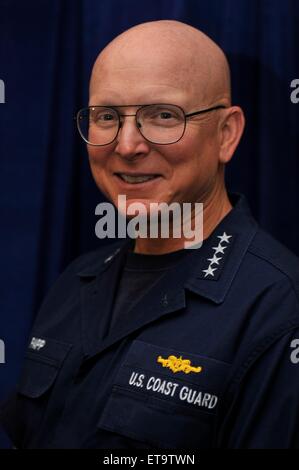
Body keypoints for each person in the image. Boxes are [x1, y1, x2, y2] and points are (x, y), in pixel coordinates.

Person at [1, 19, 299, 449]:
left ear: (226, 134)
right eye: (107, 116)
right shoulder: (77, 281)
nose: (126, 146)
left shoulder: (278, 311)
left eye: (162, 116)